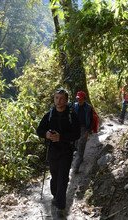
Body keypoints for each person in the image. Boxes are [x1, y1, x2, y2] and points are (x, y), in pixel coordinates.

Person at [36, 88, 80, 217]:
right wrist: (46, 134)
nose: (58, 101)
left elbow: (77, 134)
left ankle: (60, 206)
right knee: (55, 176)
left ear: (66, 100)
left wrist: (62, 137)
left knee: (63, 177)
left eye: (61, 98)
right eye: (56, 98)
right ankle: (56, 195)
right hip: (53, 151)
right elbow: (39, 130)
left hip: (66, 150)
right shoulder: (49, 115)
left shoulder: (72, 115)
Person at [72, 91, 93, 174]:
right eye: (78, 99)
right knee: (76, 145)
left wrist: (88, 130)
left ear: (84, 99)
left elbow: (91, 120)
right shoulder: (75, 106)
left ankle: (75, 169)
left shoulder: (88, 108)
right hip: (75, 128)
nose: (79, 100)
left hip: (84, 129)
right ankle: (80, 158)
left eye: (80, 99)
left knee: (81, 148)